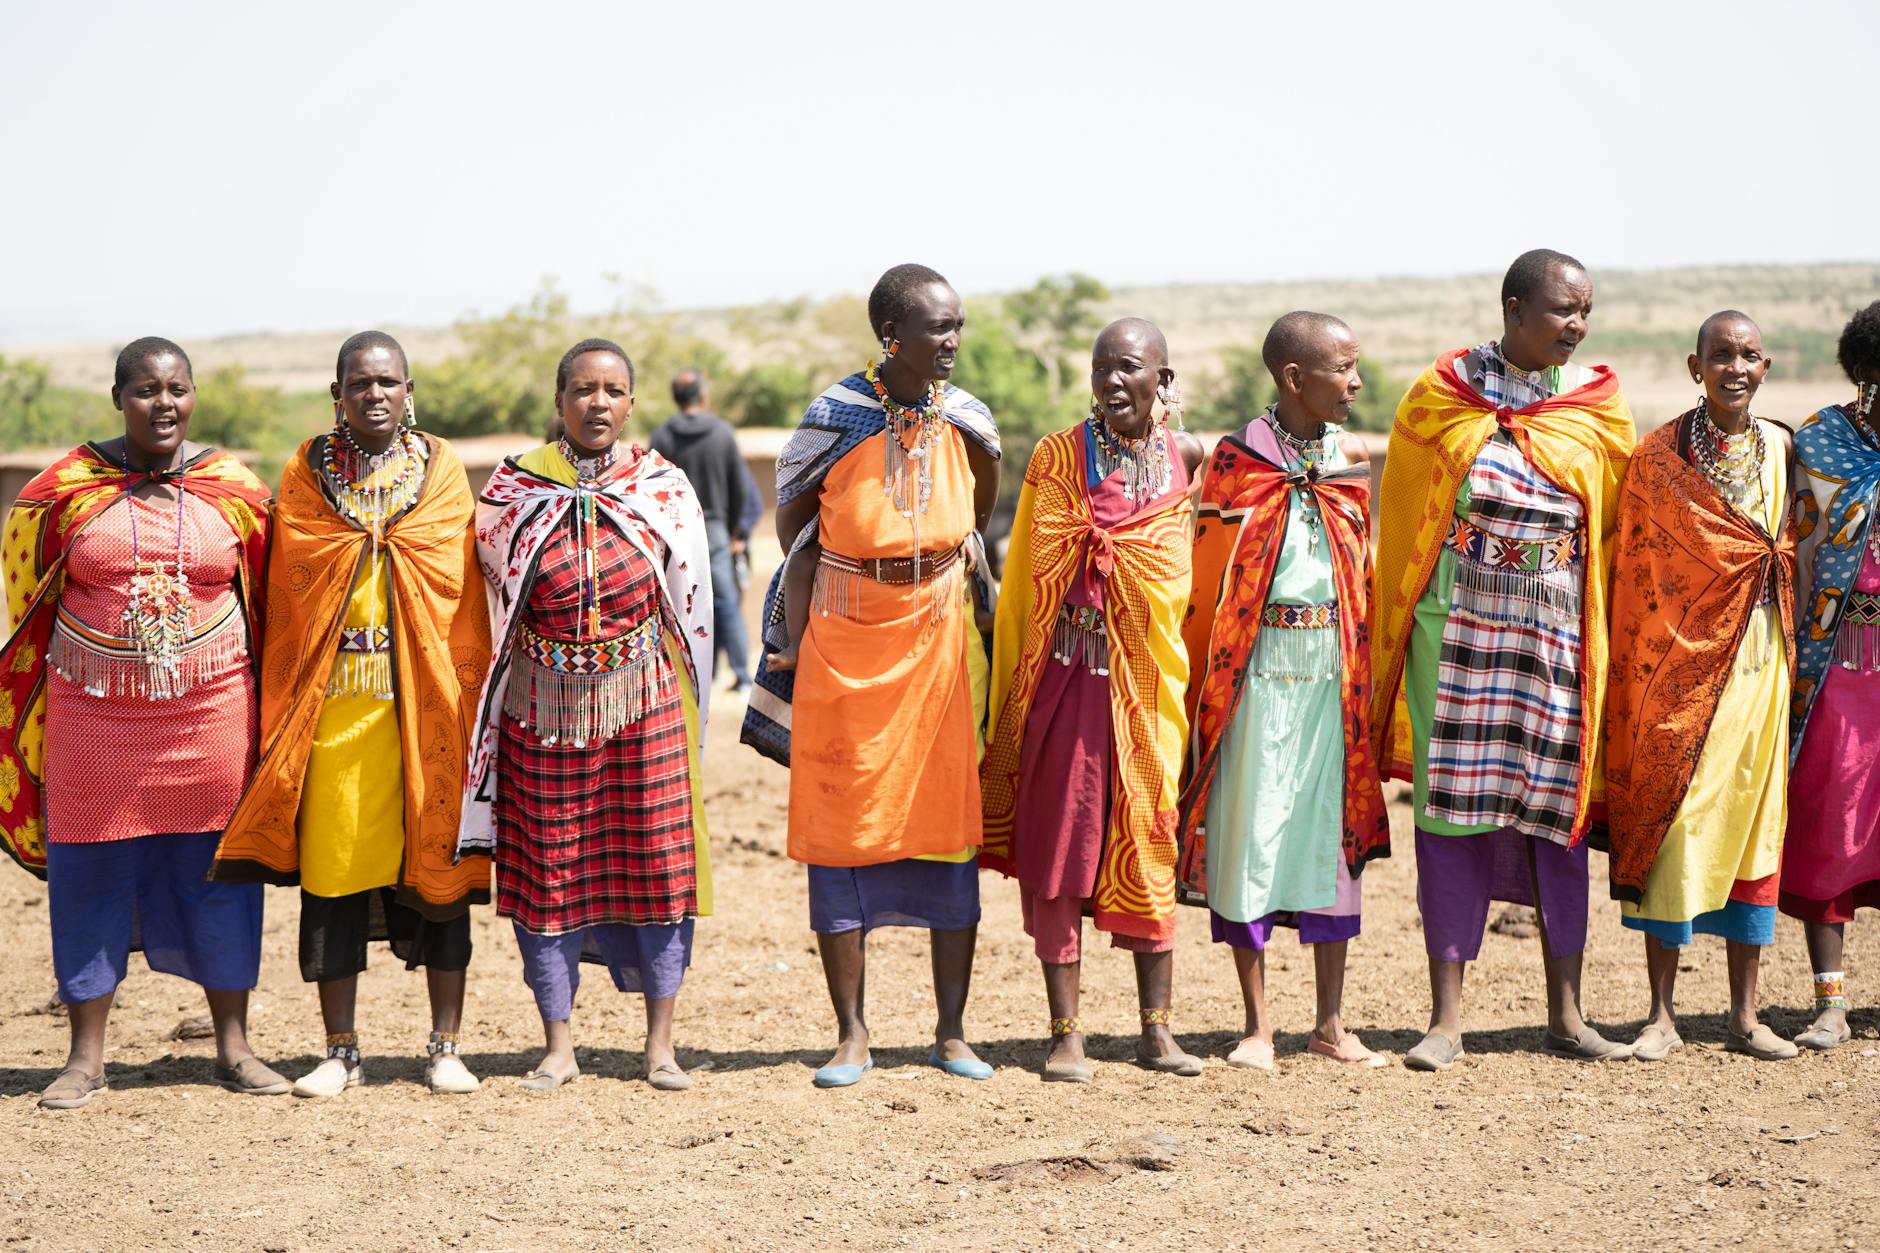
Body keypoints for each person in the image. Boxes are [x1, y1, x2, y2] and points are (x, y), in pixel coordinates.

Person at [1370, 249, 1637, 1071]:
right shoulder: (1441, 395)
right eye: (1563, 310)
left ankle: (1567, 1012)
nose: (1578, 325)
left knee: (1558, 814)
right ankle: (1446, 1020)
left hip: (1556, 632)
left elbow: (1618, 527)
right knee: (1451, 815)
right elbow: (1408, 511)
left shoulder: (1595, 405)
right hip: (1457, 636)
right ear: (1515, 308)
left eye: (1585, 310)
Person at [0, 337, 284, 1109]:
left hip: (211, 713)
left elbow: (272, 592)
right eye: (147, 390)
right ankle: (84, 1059)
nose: (164, 404)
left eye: (177, 389)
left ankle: (234, 1045)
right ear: (118, 397)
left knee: (219, 877)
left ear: (194, 396)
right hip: (92, 716)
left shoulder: (234, 490)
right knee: (89, 874)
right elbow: (25, 593)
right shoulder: (63, 492)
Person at [213, 331, 492, 1097]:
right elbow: (292, 581)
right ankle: (341, 1051)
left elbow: (455, 581)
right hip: (335, 706)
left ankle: (444, 1047)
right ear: (336, 394)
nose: (375, 393)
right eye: (359, 382)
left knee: (438, 865)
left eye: (388, 381)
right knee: (332, 878)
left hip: (426, 701)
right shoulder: (306, 472)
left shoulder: (440, 471)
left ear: (410, 390)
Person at [458, 338, 714, 1092]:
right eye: (583, 389)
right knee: (549, 869)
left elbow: (691, 593)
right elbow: (490, 598)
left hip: (647, 699)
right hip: (544, 706)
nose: (597, 402)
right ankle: (558, 1045)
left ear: (632, 404)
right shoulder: (512, 492)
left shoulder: (663, 485)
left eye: (612, 389)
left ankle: (660, 1046)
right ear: (559, 401)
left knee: (662, 863)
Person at [773, 262, 1000, 1087]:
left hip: (940, 640)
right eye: (937, 328)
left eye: (958, 327)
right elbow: (795, 521)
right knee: (839, 825)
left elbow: (982, 507)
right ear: (890, 336)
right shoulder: (835, 415)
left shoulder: (968, 419)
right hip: (845, 637)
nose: (951, 342)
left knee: (947, 824)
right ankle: (852, 1035)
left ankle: (951, 1031)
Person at [980, 318, 1205, 1083]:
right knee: (1061, 847)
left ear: (1162, 380)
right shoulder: (1055, 454)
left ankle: (1158, 1032)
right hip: (1065, 675)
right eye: (1102, 368)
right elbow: (1028, 571)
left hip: (1147, 686)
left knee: (1148, 835)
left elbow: (1178, 580)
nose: (1113, 382)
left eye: (1130, 368)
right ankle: (1066, 1034)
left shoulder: (1188, 456)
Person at [1178, 312, 1390, 1072]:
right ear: (1295, 379)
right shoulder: (1237, 463)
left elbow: (1364, 571)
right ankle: (1257, 1028)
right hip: (1256, 680)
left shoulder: (1351, 457)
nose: (1357, 382)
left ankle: (1331, 1023)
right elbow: (1208, 585)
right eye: (1344, 368)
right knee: (1251, 839)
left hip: (1334, 679)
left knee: (1332, 842)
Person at [1605, 311, 1798, 1061]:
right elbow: (1640, 575)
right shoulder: (1657, 459)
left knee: (1754, 828)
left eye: (1749, 356)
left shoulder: (1784, 449)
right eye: (1721, 356)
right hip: (1677, 671)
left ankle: (1746, 1015)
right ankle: (1660, 1014)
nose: (1736, 368)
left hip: (1762, 662)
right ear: (1695, 366)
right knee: (1677, 827)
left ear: (1767, 366)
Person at [1782, 299, 1880, 1051]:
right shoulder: (1820, 443)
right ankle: (1831, 1003)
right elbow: (1793, 556)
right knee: (1830, 824)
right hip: (1837, 663)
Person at [650, 369, 753, 693]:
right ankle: (740, 674)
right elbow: (739, 488)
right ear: (703, 396)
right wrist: (736, 530)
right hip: (715, 529)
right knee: (725, 602)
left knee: (681, 602)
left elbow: (652, 487)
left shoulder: (663, 436)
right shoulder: (722, 433)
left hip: (677, 531)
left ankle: (691, 673)